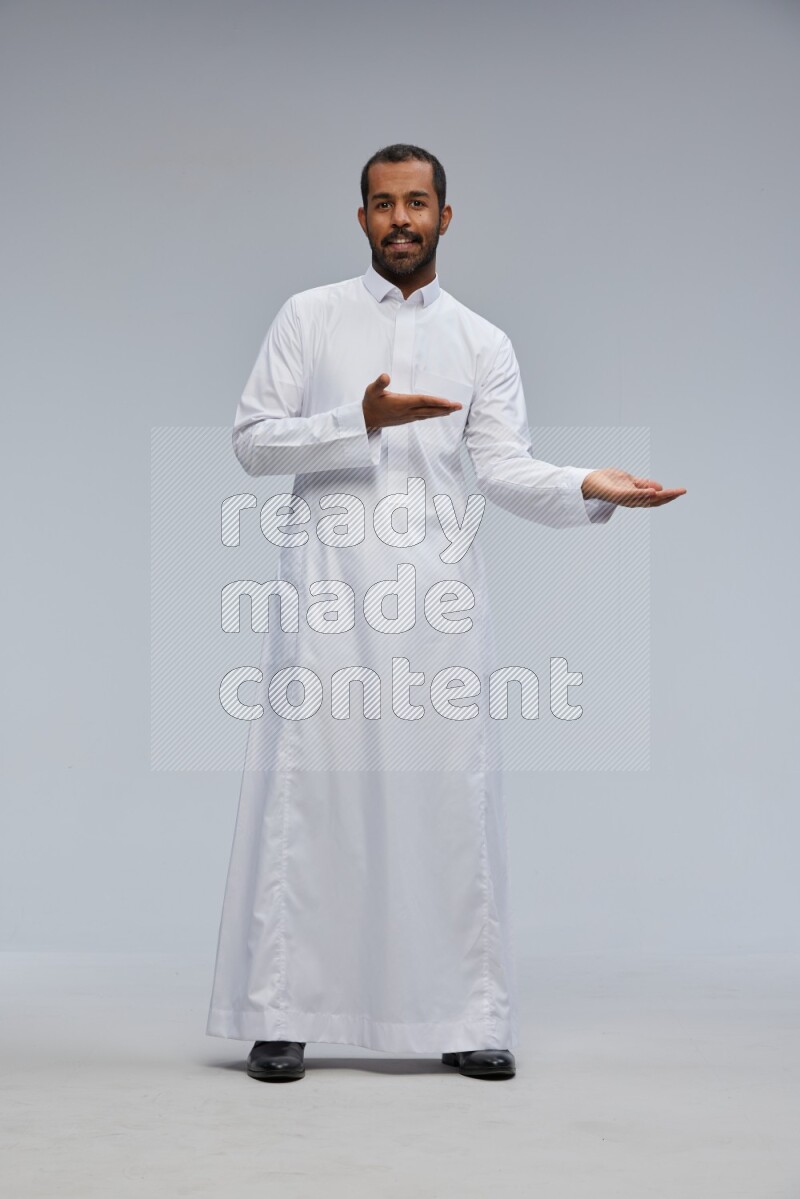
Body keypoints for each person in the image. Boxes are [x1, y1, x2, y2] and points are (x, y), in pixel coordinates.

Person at [206, 143, 685, 1083]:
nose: (400, 219)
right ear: (360, 219)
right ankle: (285, 1012)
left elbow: (503, 467)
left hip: (436, 602)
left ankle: (469, 1016)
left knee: (446, 803)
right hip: (333, 597)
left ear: (446, 216)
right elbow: (254, 443)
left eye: (416, 202)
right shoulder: (311, 317)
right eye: (382, 204)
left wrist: (586, 482)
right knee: (316, 799)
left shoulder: (481, 341)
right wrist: (358, 420)